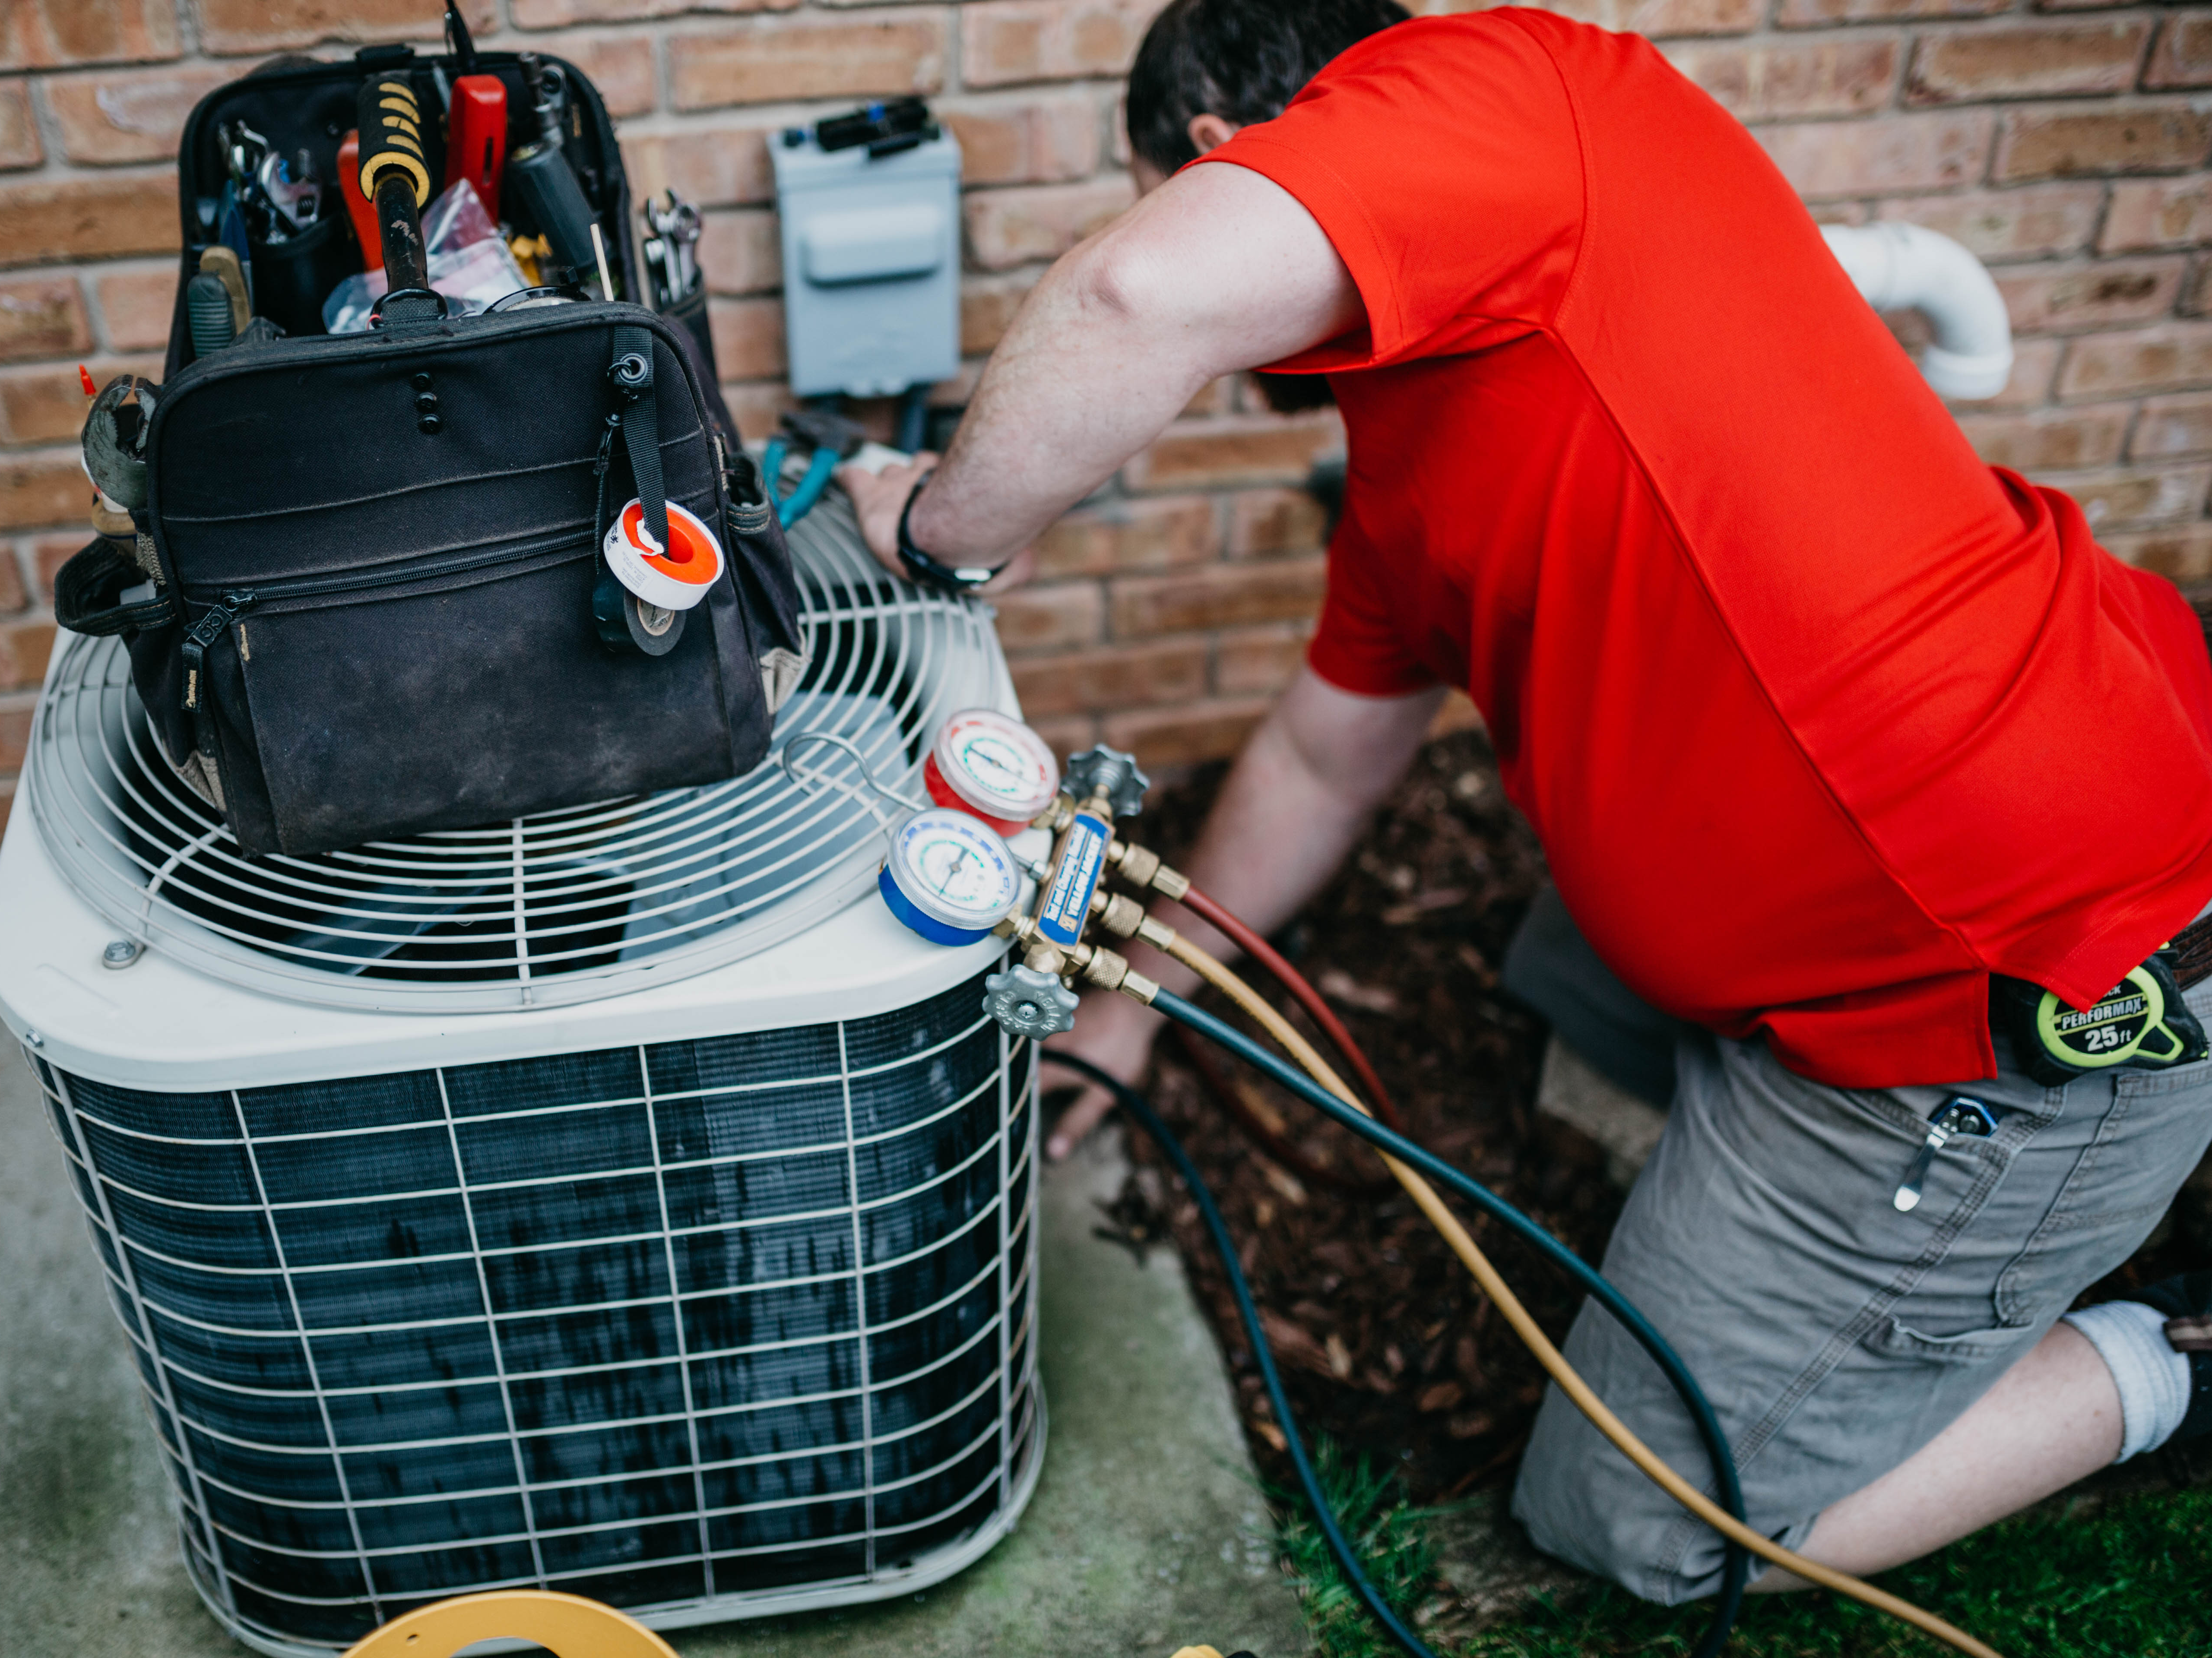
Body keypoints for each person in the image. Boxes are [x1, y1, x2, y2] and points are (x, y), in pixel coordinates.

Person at [839, 0, 2212, 1607]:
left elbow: (1144, 290)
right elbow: (1315, 764)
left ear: (1221, 152)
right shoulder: (1416, 455)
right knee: (1562, 965)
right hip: (1847, 965)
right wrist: (1137, 1004)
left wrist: (934, 534)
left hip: (2017, 984)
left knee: (1644, 1528)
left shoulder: (1518, 89)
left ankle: (2168, 1350)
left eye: (1167, 185)